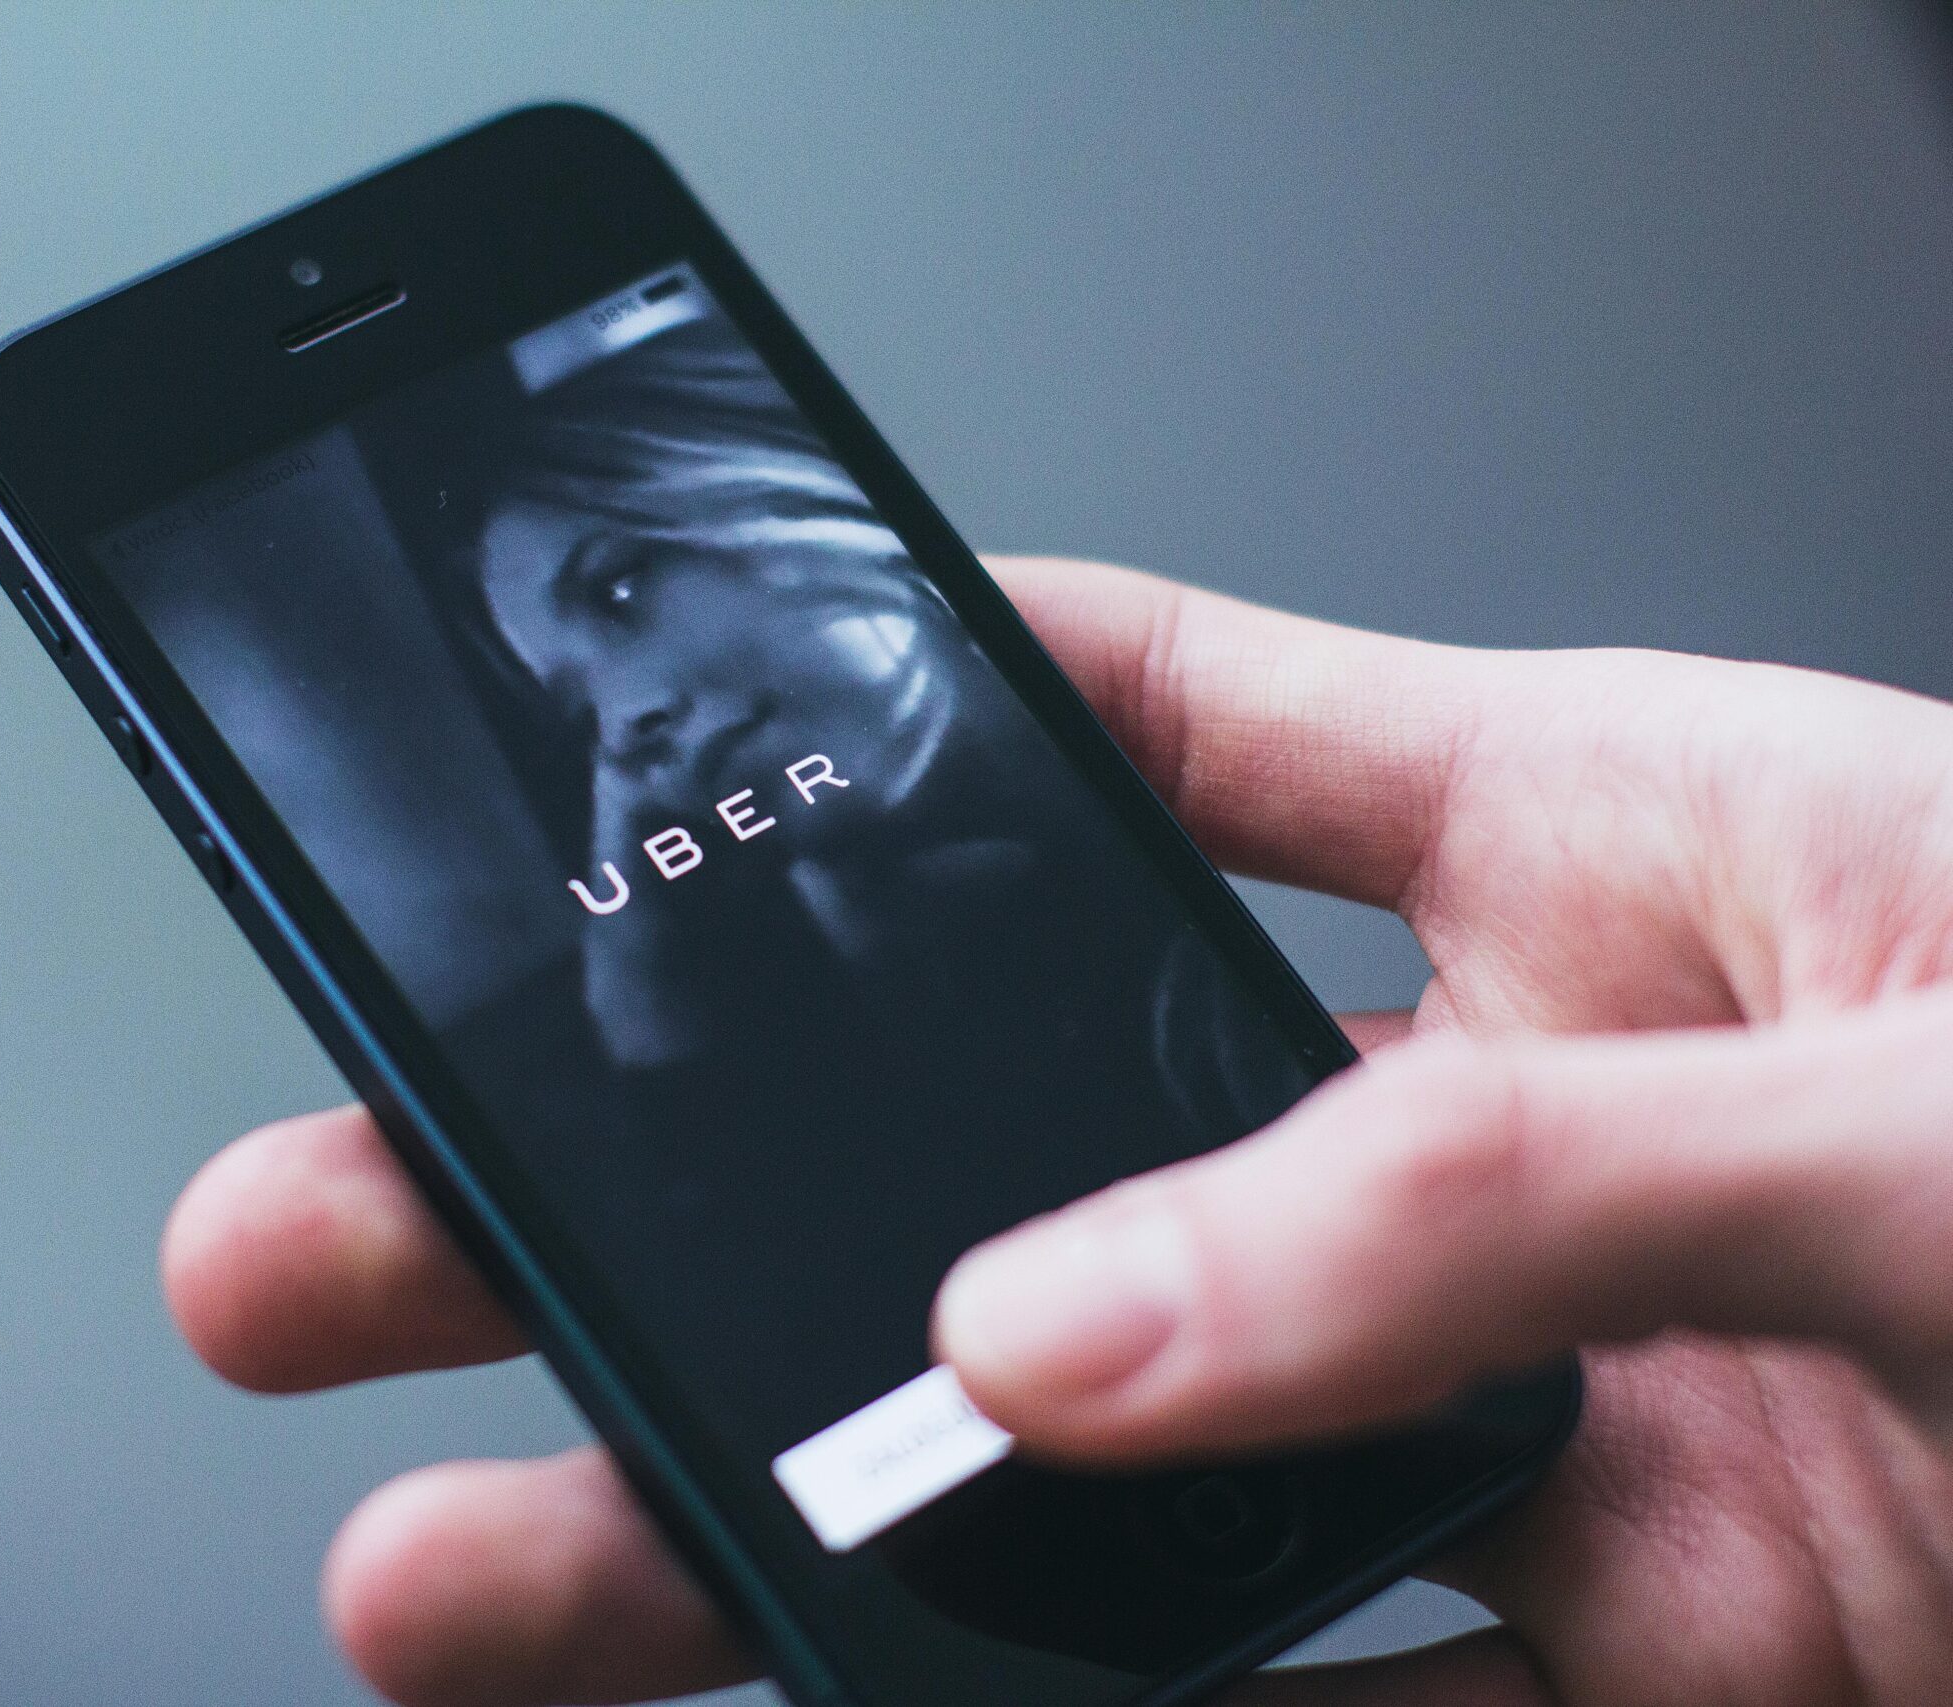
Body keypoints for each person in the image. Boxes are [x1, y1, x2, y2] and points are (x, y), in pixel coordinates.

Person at [161, 556, 1953, 1705]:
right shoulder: (885, 1003)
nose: (631, 720)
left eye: (620, 588)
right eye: (571, 705)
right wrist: (655, 1025)